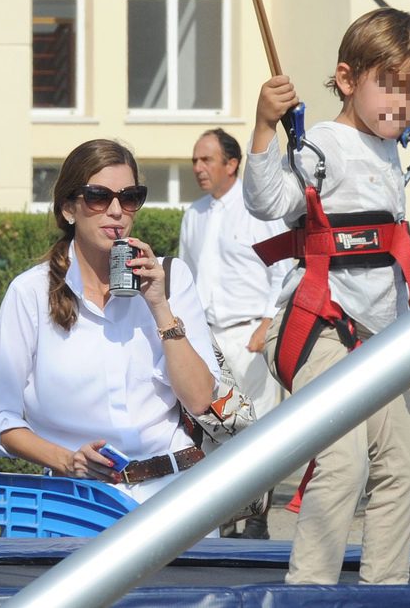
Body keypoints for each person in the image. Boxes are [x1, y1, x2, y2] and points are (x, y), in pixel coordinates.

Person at [243, 8, 410, 584]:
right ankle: (310, 590)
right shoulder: (321, 144)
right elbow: (267, 201)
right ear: (348, 79)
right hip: (321, 327)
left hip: (379, 336)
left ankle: (384, 588)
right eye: (390, 86)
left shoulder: (392, 147)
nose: (403, 104)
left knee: (408, 466)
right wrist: (263, 126)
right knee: (342, 461)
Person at [0, 139, 220, 504]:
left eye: (130, 197)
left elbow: (201, 400)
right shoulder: (30, 292)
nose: (117, 210)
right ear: (69, 209)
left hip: (175, 493)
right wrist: (68, 460)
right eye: (98, 197)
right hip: (77, 501)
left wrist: (159, 306)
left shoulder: (170, 278)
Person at [179, 128, 290, 539]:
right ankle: (224, 516)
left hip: (250, 336)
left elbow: (284, 268)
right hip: (208, 340)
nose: (198, 168)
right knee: (211, 427)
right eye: (195, 160)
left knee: (256, 429)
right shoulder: (194, 214)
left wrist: (266, 321)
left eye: (206, 159)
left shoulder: (259, 210)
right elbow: (186, 279)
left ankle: (258, 517)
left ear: (232, 164)